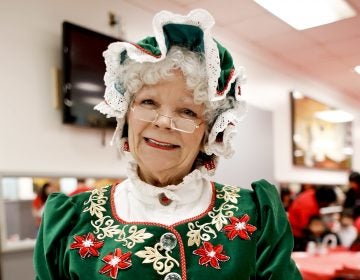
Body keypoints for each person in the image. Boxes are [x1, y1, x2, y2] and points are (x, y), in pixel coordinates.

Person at [34, 9, 301, 279]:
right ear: (127, 114)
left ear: (208, 132)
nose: (163, 122)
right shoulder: (70, 221)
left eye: (187, 112)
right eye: (148, 102)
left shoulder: (255, 216)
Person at [288, 185, 337, 251]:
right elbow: (307, 228)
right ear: (323, 201)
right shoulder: (308, 206)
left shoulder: (311, 193)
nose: (327, 205)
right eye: (327, 203)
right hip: (296, 235)